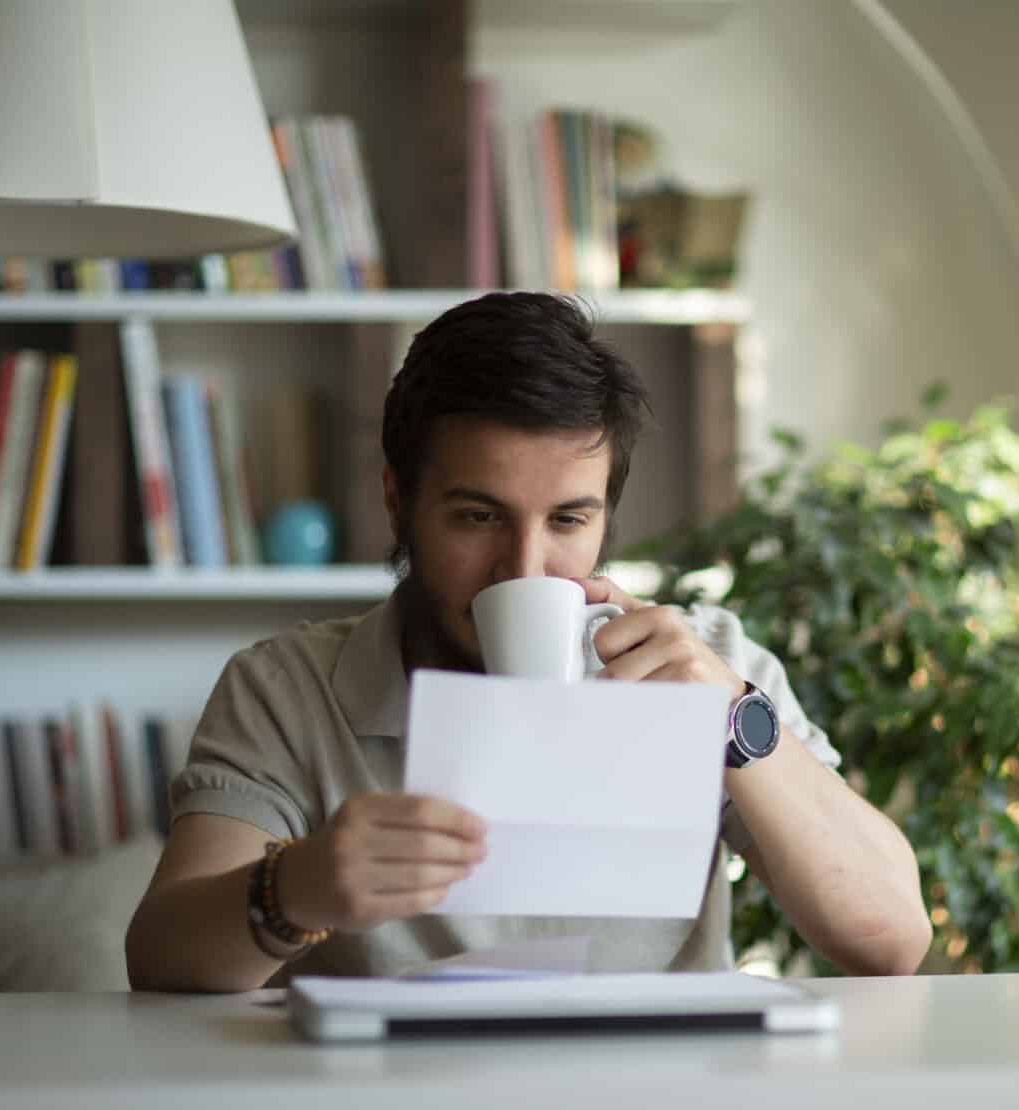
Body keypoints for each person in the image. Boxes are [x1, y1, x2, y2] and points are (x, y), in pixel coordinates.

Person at [126, 293, 930, 991]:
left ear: (608, 518)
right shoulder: (287, 687)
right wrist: (295, 887)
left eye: (569, 520)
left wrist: (732, 720)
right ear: (397, 501)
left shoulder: (706, 666)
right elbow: (161, 958)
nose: (524, 566)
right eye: (478, 517)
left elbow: (891, 938)